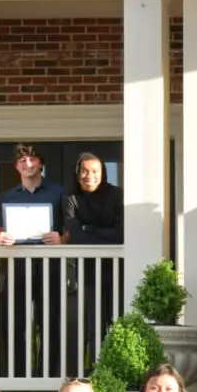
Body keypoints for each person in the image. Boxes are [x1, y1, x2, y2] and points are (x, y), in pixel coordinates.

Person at [0, 143, 66, 386]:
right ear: (16, 166)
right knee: (16, 324)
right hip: (18, 269)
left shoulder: (57, 193)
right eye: (22, 160)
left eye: (32, 159)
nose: (28, 164)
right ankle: (18, 381)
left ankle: (48, 381)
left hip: (50, 268)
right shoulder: (8, 196)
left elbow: (69, 230)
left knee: (50, 323)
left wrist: (62, 239)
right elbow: (0, 230)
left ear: (40, 163)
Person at [63, 153, 124, 374]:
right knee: (94, 323)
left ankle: (117, 371)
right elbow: (76, 236)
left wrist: (89, 228)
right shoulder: (72, 198)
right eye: (85, 171)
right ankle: (97, 371)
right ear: (78, 174)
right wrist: (94, 233)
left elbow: (121, 234)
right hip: (88, 270)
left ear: (102, 173)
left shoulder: (116, 195)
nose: (90, 176)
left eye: (95, 171)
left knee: (118, 321)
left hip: (118, 271)